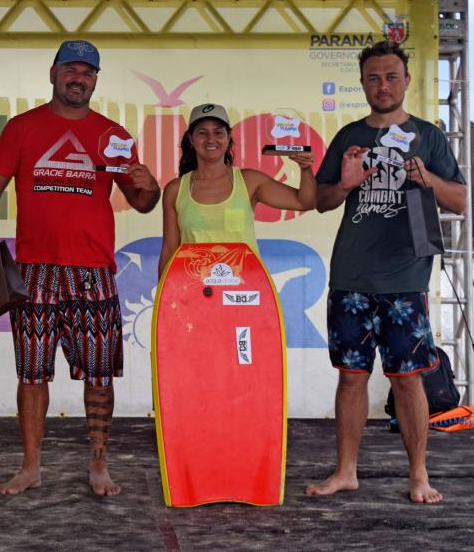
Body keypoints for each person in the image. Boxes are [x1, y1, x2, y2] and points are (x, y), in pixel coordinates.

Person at [0, 40, 160, 496]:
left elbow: (142, 202)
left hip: (93, 269)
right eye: (71, 70)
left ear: (95, 80)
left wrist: (148, 186)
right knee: (31, 374)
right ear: (52, 73)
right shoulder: (22, 127)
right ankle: (31, 466)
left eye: (88, 73)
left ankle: (99, 465)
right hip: (33, 270)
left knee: (99, 373)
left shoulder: (113, 134)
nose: (79, 78)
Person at [307, 41, 466, 504]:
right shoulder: (349, 135)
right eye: (374, 78)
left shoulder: (428, 136)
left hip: (405, 279)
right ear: (363, 83)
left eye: (391, 77)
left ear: (406, 81)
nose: (382, 85)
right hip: (352, 276)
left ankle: (419, 476)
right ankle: (345, 472)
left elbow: (459, 199)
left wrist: (427, 179)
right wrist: (346, 183)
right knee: (351, 377)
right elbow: (321, 201)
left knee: (408, 379)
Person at [157, 104, 316, 275]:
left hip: (244, 289)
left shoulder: (250, 181)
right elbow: (169, 250)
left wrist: (305, 170)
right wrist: (164, 298)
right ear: (191, 139)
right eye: (202, 133)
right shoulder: (175, 189)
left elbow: (305, 202)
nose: (211, 139)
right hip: (194, 289)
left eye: (218, 132)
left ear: (228, 137)